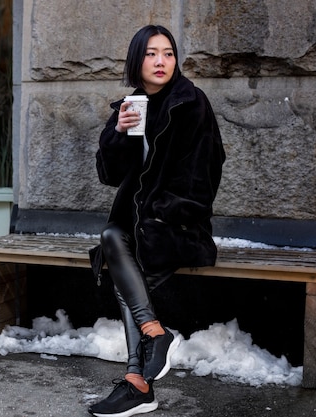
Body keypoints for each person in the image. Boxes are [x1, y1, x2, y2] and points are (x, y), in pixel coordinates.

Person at [88, 25, 226, 417]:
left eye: (168, 53)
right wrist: (117, 133)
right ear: (137, 60)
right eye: (151, 53)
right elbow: (109, 175)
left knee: (123, 272)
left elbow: (205, 171)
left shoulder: (190, 103)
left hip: (178, 226)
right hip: (136, 228)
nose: (161, 61)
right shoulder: (130, 107)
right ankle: (154, 337)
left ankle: (138, 381)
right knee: (113, 236)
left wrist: (163, 216)